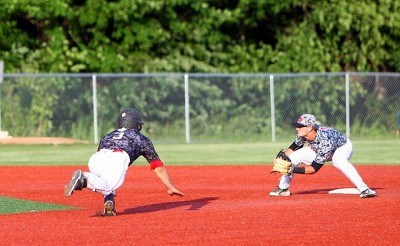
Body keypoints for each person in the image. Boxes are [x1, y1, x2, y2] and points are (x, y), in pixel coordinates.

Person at [64, 108, 184, 216]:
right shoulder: (142, 139)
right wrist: (170, 187)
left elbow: (101, 157)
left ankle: (109, 202)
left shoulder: (108, 135)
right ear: (137, 125)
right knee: (110, 185)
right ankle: (84, 178)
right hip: (117, 159)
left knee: (107, 181)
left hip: (95, 160)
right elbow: (158, 168)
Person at [269, 113, 376, 198]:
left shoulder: (325, 139)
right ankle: (283, 189)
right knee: (292, 158)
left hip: (342, 147)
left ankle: (364, 189)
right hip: (318, 149)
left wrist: (292, 169)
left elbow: (314, 169)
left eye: (300, 126)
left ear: (310, 128)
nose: (297, 128)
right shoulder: (303, 134)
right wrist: (284, 158)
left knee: (338, 160)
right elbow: (293, 147)